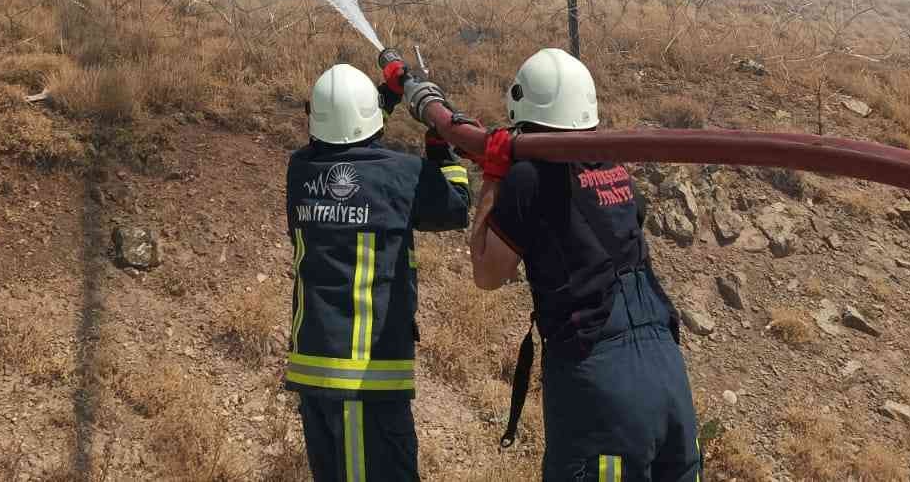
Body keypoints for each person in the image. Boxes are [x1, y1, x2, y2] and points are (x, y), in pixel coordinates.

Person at [465, 47, 702, 482]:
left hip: (604, 389)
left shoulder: (528, 179)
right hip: (669, 376)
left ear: (522, 107)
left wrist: (493, 178)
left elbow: (486, 273)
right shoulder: (615, 168)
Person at [285, 61, 473, 482]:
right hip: (365, 375)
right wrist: (442, 149)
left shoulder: (300, 171)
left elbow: (349, 138)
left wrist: (385, 94)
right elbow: (456, 206)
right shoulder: (402, 175)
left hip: (313, 366)